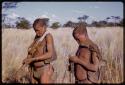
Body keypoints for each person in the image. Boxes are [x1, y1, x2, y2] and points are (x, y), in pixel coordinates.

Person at [22, 18, 57, 84]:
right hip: (34, 69)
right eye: (35, 31)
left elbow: (50, 54)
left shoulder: (48, 36)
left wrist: (33, 59)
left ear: (44, 27)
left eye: (38, 30)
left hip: (44, 69)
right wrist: (27, 61)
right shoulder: (37, 36)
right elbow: (32, 50)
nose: (36, 33)